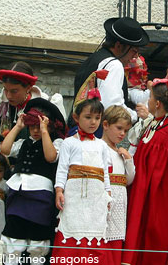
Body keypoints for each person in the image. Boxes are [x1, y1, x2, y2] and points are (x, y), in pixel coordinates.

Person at [121, 79, 168, 265]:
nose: (148, 100)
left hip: (162, 192)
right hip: (142, 189)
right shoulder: (150, 125)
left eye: (150, 97)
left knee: (157, 228)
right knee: (139, 224)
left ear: (157, 103)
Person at [0, 61, 66, 170]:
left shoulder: (48, 104)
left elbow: (61, 136)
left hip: (37, 163)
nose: (8, 95)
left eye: (14, 91)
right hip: (1, 164)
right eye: (6, 90)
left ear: (28, 88)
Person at [0, 98, 66, 265]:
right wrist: (18, 126)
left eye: (40, 126)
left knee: (38, 235)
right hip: (18, 192)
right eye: (32, 126)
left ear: (51, 127)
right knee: (14, 232)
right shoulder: (22, 143)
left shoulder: (57, 143)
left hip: (40, 195)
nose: (35, 130)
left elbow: (50, 157)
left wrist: (44, 131)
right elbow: (5, 149)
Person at [52, 87, 113, 264]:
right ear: (76, 118)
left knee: (94, 230)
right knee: (73, 227)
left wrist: (107, 193)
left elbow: (105, 173)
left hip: (96, 195)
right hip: (74, 195)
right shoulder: (68, 143)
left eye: (97, 118)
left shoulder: (102, 146)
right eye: (88, 117)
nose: (93, 122)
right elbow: (62, 169)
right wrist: (59, 191)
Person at [72, 17, 150, 129]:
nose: (135, 56)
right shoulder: (114, 65)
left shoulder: (93, 59)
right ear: (118, 45)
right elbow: (112, 107)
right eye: (134, 50)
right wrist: (136, 115)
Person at [101, 105, 135, 264]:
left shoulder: (121, 153)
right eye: (119, 128)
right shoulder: (100, 148)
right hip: (105, 203)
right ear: (106, 125)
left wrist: (128, 160)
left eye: (126, 130)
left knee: (115, 243)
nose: (123, 133)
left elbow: (128, 180)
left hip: (120, 204)